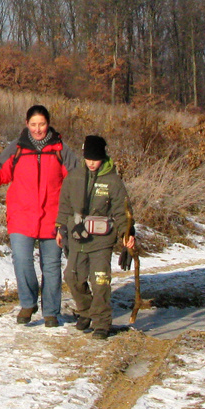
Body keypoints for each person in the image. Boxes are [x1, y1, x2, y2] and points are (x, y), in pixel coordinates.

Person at [0, 104, 78, 327]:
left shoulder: (61, 150)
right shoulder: (17, 148)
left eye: (42, 124)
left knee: (51, 265)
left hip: (53, 216)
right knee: (21, 260)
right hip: (21, 214)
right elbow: (1, 174)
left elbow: (76, 181)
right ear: (26, 124)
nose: (38, 129)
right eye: (33, 124)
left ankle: (50, 312)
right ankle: (28, 303)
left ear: (48, 124)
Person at [56, 134, 135, 339]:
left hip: (101, 240)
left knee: (99, 281)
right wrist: (60, 228)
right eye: (89, 158)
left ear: (103, 157)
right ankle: (85, 312)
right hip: (76, 237)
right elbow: (64, 205)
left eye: (96, 158)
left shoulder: (113, 181)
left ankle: (101, 322)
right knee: (72, 278)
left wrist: (127, 235)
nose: (92, 163)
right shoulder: (74, 177)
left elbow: (122, 211)